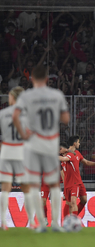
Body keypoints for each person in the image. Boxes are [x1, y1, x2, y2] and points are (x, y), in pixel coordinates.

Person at [12, 66, 70, 233]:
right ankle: (57, 224)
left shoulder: (26, 96)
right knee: (54, 186)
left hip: (33, 144)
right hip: (50, 144)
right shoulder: (56, 95)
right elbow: (65, 119)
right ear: (46, 79)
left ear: (31, 79)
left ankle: (40, 224)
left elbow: (15, 116)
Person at [0, 86, 35, 230]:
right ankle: (31, 223)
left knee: (5, 187)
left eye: (9, 96)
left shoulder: (2, 113)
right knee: (26, 187)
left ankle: (3, 222)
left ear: (14, 97)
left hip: (7, 150)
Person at [60, 135, 95, 216]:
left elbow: (86, 162)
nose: (80, 144)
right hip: (73, 183)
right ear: (74, 144)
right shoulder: (70, 155)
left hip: (78, 181)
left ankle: (70, 220)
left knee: (84, 200)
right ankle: (70, 222)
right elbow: (64, 162)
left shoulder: (77, 153)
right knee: (72, 202)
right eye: (78, 142)